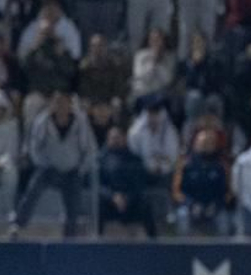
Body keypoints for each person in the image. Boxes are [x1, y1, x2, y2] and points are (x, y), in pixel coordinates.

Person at [12, 90, 96, 238]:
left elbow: (89, 149)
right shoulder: (42, 121)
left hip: (72, 171)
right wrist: (44, 164)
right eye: (58, 103)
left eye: (64, 102)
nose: (61, 106)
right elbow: (35, 147)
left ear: (70, 104)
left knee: (73, 205)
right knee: (33, 190)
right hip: (49, 170)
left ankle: (69, 237)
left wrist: (81, 169)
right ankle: (18, 224)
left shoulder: (80, 122)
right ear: (52, 104)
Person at [97, 124, 157, 237]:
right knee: (97, 205)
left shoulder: (134, 160)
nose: (115, 141)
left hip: (131, 203)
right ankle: (96, 243)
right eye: (112, 138)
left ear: (124, 138)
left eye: (118, 137)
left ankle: (154, 243)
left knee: (145, 203)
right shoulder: (100, 160)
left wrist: (127, 198)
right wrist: (113, 197)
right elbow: (97, 185)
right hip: (109, 203)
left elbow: (139, 185)